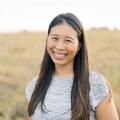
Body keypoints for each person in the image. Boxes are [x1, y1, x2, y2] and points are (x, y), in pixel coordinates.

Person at [25, 13, 119, 120]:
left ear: (79, 46)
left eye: (68, 40)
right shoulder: (34, 86)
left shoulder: (95, 84)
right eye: (54, 38)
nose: (59, 47)